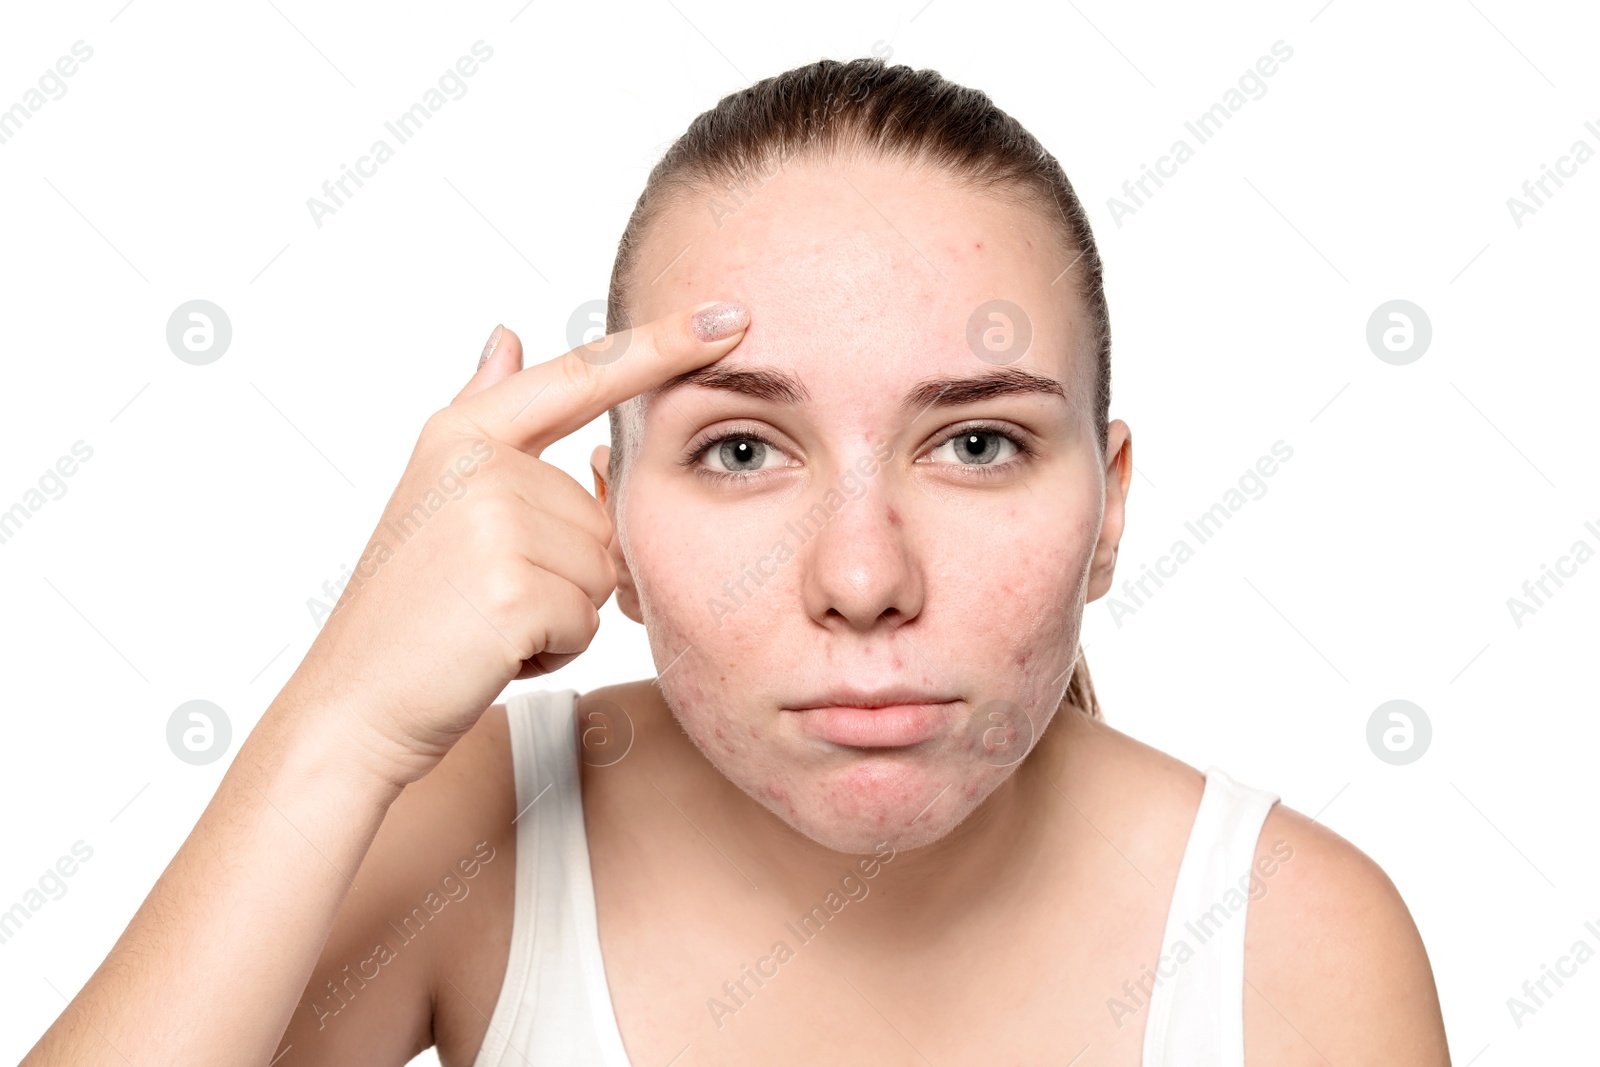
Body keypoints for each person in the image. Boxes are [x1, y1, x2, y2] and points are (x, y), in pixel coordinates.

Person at [24, 57, 1450, 1066]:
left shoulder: (1291, 940)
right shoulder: (484, 832)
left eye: (974, 447)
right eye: (742, 452)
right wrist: (338, 721)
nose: (862, 577)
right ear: (611, 524)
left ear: (1110, 512)